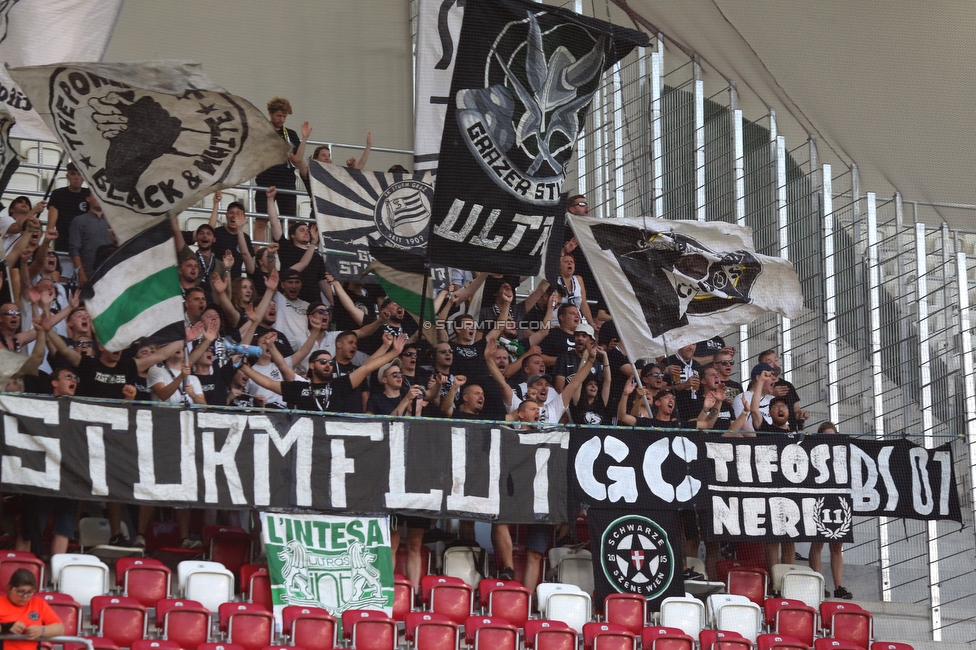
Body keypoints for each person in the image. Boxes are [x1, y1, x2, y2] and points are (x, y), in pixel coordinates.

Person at [809, 421, 852, 599]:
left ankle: (838, 586)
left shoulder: (843, 455)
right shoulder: (813, 455)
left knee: (837, 545)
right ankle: (818, 583)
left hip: (839, 499)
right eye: (826, 436)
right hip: (819, 498)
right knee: (818, 542)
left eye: (833, 436)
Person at [255, 97, 301, 224]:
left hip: (286, 181)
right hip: (266, 179)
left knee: (289, 222)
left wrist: (305, 139)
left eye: (284, 116)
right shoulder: (261, 132)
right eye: (279, 116)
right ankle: (258, 245)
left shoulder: (290, 134)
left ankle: (287, 244)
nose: (282, 120)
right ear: (270, 113)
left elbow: (298, 161)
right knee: (261, 220)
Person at [0, 569, 64, 650]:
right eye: (20, 592)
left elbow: (59, 628)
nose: (25, 596)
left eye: (30, 592)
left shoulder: (38, 603)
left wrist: (42, 630)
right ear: (9, 588)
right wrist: (6, 627)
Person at [45, 162, 90, 257]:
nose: (76, 177)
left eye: (80, 174)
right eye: (73, 174)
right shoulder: (58, 194)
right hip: (64, 241)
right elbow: (51, 224)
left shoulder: (89, 194)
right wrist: (46, 245)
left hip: (85, 243)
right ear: (67, 176)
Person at [68, 194, 112, 287]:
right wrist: (81, 274)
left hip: (111, 273)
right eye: (95, 194)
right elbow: (74, 250)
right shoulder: (79, 221)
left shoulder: (113, 221)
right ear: (88, 199)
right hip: (88, 273)